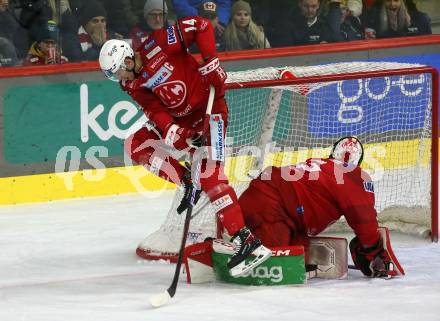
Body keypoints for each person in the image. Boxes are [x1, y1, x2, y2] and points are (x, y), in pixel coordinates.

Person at [98, 16, 271, 276]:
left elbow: (201, 25)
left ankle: (246, 241)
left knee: (212, 177)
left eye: (118, 71)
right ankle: (187, 180)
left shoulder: (158, 44)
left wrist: (211, 60)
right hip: (183, 122)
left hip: (211, 111)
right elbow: (154, 110)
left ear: (127, 59)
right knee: (135, 144)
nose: (119, 79)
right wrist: (179, 134)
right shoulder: (130, 83)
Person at [238, 136, 403, 278]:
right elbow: (362, 215)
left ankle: (237, 234)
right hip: (272, 207)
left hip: (270, 203)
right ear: (358, 162)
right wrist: (372, 249)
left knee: (299, 255)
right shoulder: (354, 174)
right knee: (272, 266)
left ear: (332, 153)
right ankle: (215, 248)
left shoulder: (321, 164)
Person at [365, 0, 431, 39]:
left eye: (396, 0)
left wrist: (409, 25)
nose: (392, 4)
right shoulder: (372, 19)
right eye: (388, 0)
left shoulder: (421, 18)